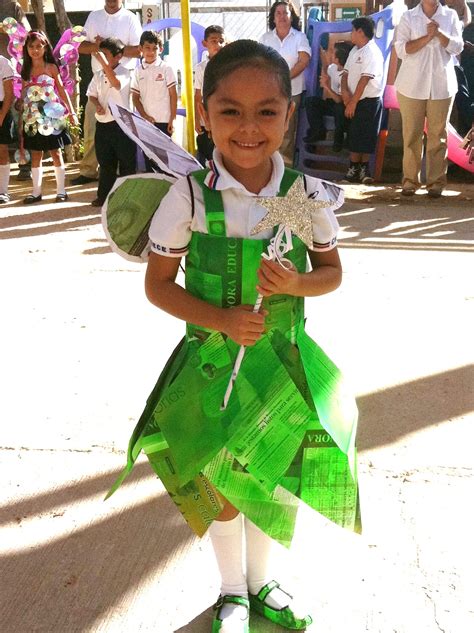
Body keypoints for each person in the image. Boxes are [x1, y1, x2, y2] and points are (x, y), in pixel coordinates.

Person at [113, 40, 360, 633]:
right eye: (230, 111)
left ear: (288, 115)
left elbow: (332, 274)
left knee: (271, 474)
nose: (249, 129)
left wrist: (298, 282)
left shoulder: (299, 198)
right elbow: (158, 285)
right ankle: (231, 591)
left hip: (280, 361)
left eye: (266, 112)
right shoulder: (190, 196)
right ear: (204, 113)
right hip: (210, 364)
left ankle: (264, 583)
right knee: (220, 476)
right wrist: (221, 320)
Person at [394, 0, 464, 197]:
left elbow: (458, 47)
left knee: (438, 135)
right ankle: (409, 181)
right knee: (411, 135)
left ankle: (436, 183)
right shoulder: (408, 17)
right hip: (411, 85)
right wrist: (427, 37)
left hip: (442, 85)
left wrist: (440, 34)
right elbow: (401, 49)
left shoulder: (449, 16)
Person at [74, 0, 141, 185]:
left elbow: (138, 50)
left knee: (123, 130)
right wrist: (101, 49)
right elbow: (81, 46)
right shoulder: (94, 16)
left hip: (122, 83)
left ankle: (122, 172)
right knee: (92, 127)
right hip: (98, 81)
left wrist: (107, 47)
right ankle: (88, 171)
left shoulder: (130, 18)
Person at [20, 31, 77, 204]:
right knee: (36, 154)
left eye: (39, 46)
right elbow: (23, 93)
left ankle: (61, 191)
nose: (35, 50)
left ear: (45, 47)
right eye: (31, 46)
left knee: (56, 152)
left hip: (52, 116)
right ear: (26, 49)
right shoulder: (25, 69)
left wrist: (71, 111)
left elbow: (61, 90)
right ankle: (36, 192)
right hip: (32, 117)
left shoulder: (51, 67)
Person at [260, 1, 311, 166]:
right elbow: (259, 63)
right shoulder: (265, 38)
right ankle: (268, 165)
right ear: (273, 18)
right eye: (278, 13)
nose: (282, 16)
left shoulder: (299, 37)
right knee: (268, 126)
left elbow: (304, 61)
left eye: (285, 13)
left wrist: (284, 78)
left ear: (291, 16)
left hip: (292, 91)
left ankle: (285, 168)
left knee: (287, 130)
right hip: (269, 92)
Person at [86, 37, 136, 206]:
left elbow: (116, 83)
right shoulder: (98, 75)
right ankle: (104, 196)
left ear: (118, 56)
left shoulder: (125, 72)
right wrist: (97, 104)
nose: (103, 57)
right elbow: (92, 94)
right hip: (103, 123)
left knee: (127, 163)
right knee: (105, 162)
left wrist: (103, 62)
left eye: (106, 54)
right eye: (102, 54)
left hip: (121, 123)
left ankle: (127, 196)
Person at [340, 17, 384, 184]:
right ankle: (352, 169)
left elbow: (365, 79)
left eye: (353, 30)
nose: (351, 34)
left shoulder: (372, 52)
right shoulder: (353, 51)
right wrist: (344, 93)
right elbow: (345, 73)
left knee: (366, 135)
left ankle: (364, 170)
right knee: (353, 134)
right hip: (352, 99)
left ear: (360, 32)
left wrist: (353, 102)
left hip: (368, 101)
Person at [131, 30, 177, 172]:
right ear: (140, 49)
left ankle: (167, 188)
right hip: (146, 123)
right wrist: (144, 116)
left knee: (164, 159)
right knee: (148, 157)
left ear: (161, 49)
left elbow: (173, 95)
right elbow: (135, 97)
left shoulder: (166, 68)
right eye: (147, 48)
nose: (151, 52)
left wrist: (172, 119)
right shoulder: (138, 71)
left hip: (164, 121)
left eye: (154, 48)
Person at [304, 41, 353, 151]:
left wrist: (326, 87)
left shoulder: (347, 74)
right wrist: (323, 57)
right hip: (332, 102)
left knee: (339, 108)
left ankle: (339, 139)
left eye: (333, 53)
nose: (331, 54)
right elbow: (325, 71)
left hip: (342, 104)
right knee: (311, 102)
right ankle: (318, 131)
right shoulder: (333, 68)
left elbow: (340, 100)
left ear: (337, 59)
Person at [194, 24, 226, 165]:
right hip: (205, 120)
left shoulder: (229, 66)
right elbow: (197, 95)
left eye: (221, 41)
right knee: (207, 156)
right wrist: (197, 119)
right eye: (213, 41)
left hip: (223, 119)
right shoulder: (201, 68)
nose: (218, 44)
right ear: (204, 43)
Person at [0, 54, 14, 203]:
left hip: (1, 108)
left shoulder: (3, 62)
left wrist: (2, 116)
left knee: (2, 149)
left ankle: (3, 191)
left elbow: (9, 93)